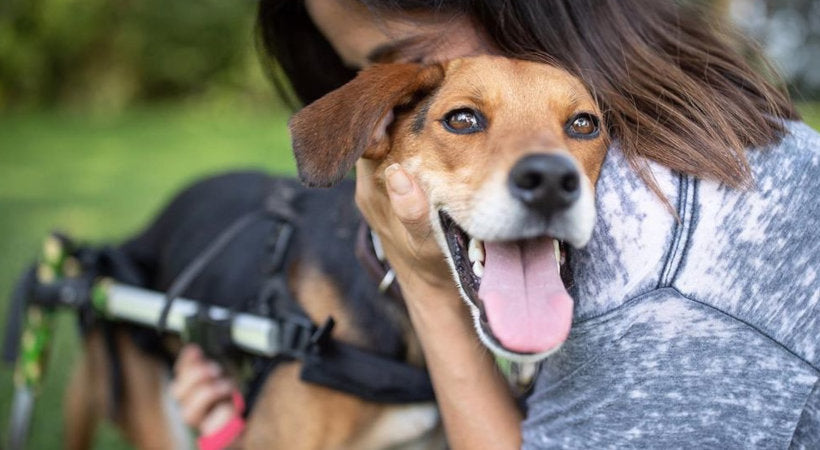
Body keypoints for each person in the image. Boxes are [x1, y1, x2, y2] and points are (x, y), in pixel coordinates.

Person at [172, 0, 819, 448]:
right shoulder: (702, 138)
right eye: (464, 118)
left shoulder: (660, 272)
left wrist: (423, 287)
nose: (546, 166)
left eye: (580, 126)